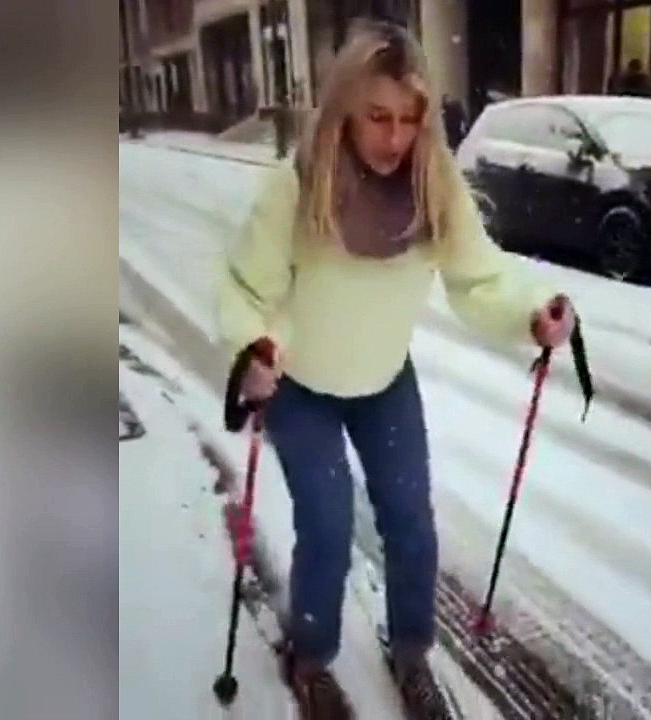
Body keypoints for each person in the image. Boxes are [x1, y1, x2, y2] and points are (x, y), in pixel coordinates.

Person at [215, 20, 576, 718]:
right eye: (377, 116)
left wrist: (534, 311)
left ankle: (411, 651)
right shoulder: (299, 186)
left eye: (410, 119)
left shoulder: (433, 185)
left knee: (410, 521)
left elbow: (481, 279)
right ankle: (311, 656)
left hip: (383, 381)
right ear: (347, 108)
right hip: (301, 388)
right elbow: (245, 289)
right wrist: (250, 350)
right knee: (326, 524)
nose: (394, 136)